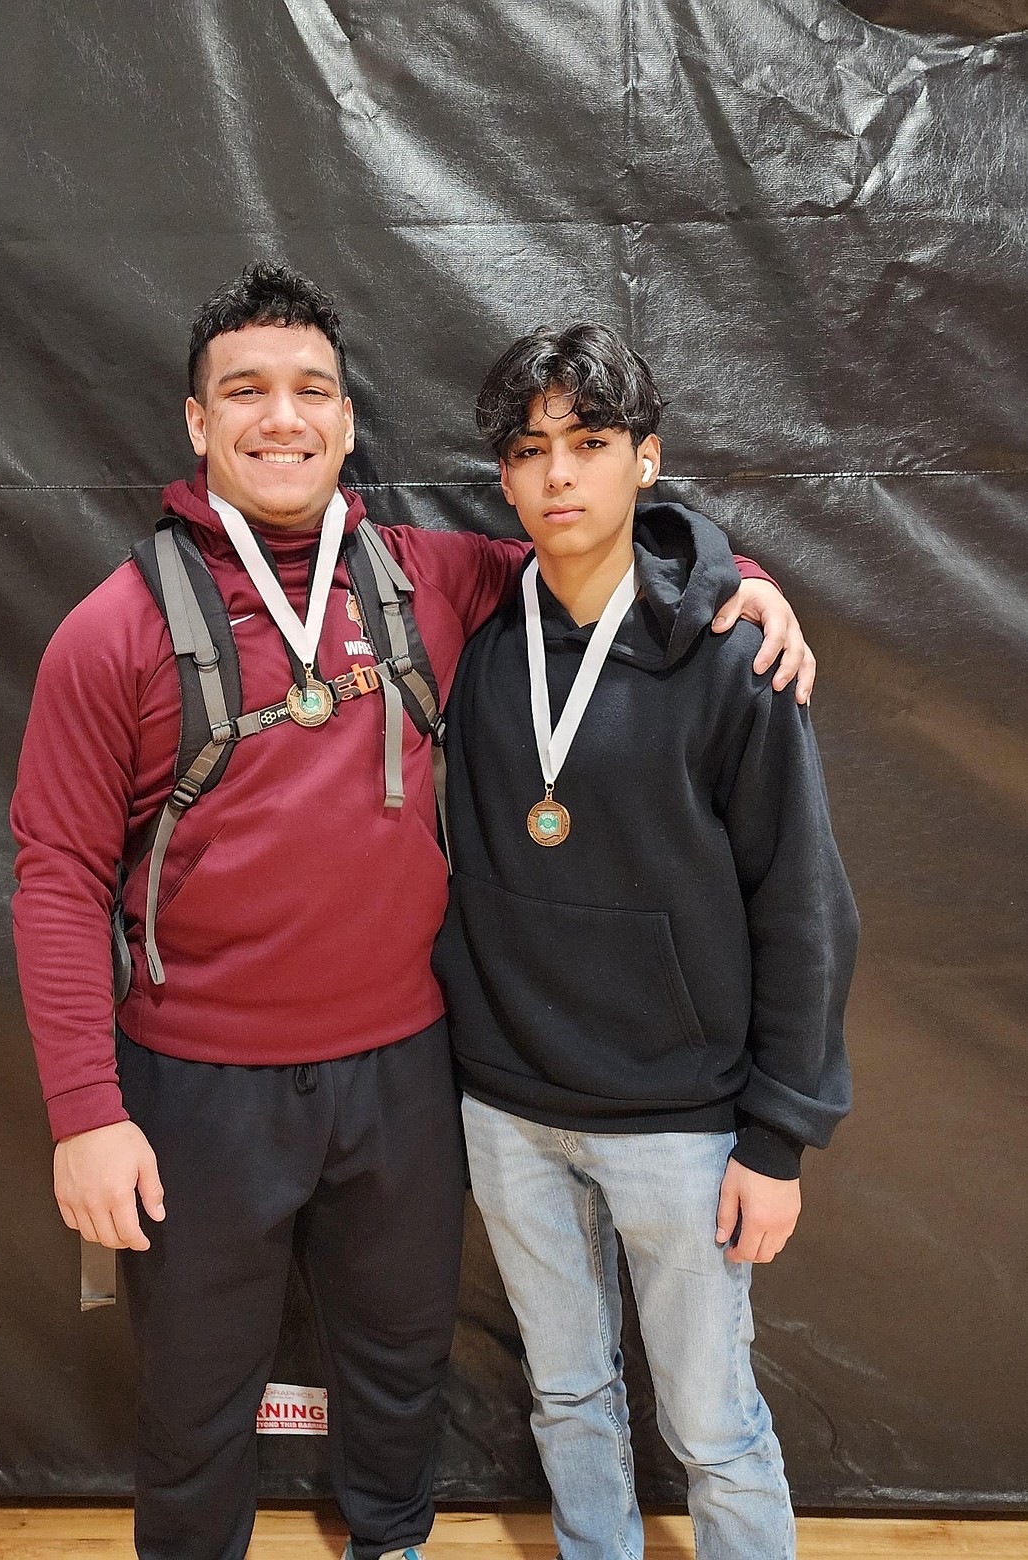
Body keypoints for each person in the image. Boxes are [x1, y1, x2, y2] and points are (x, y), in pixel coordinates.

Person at [10, 265, 814, 1560]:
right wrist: (85, 1113)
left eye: (310, 391)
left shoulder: (425, 578)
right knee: (193, 1394)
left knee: (395, 1368)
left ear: (345, 420)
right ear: (196, 424)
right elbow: (54, 875)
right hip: (197, 1085)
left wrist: (737, 575)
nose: (282, 418)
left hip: (406, 1070)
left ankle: (388, 1543)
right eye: (246, 393)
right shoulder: (112, 632)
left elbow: (600, 541)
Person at [432, 323, 858, 1560]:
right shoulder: (470, 629)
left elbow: (804, 906)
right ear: (504, 483)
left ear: (647, 459)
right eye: (530, 450)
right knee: (566, 1397)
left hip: (681, 1122)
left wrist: (777, 1138)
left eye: (591, 442)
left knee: (713, 1423)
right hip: (507, 1105)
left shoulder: (734, 656)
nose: (560, 473)